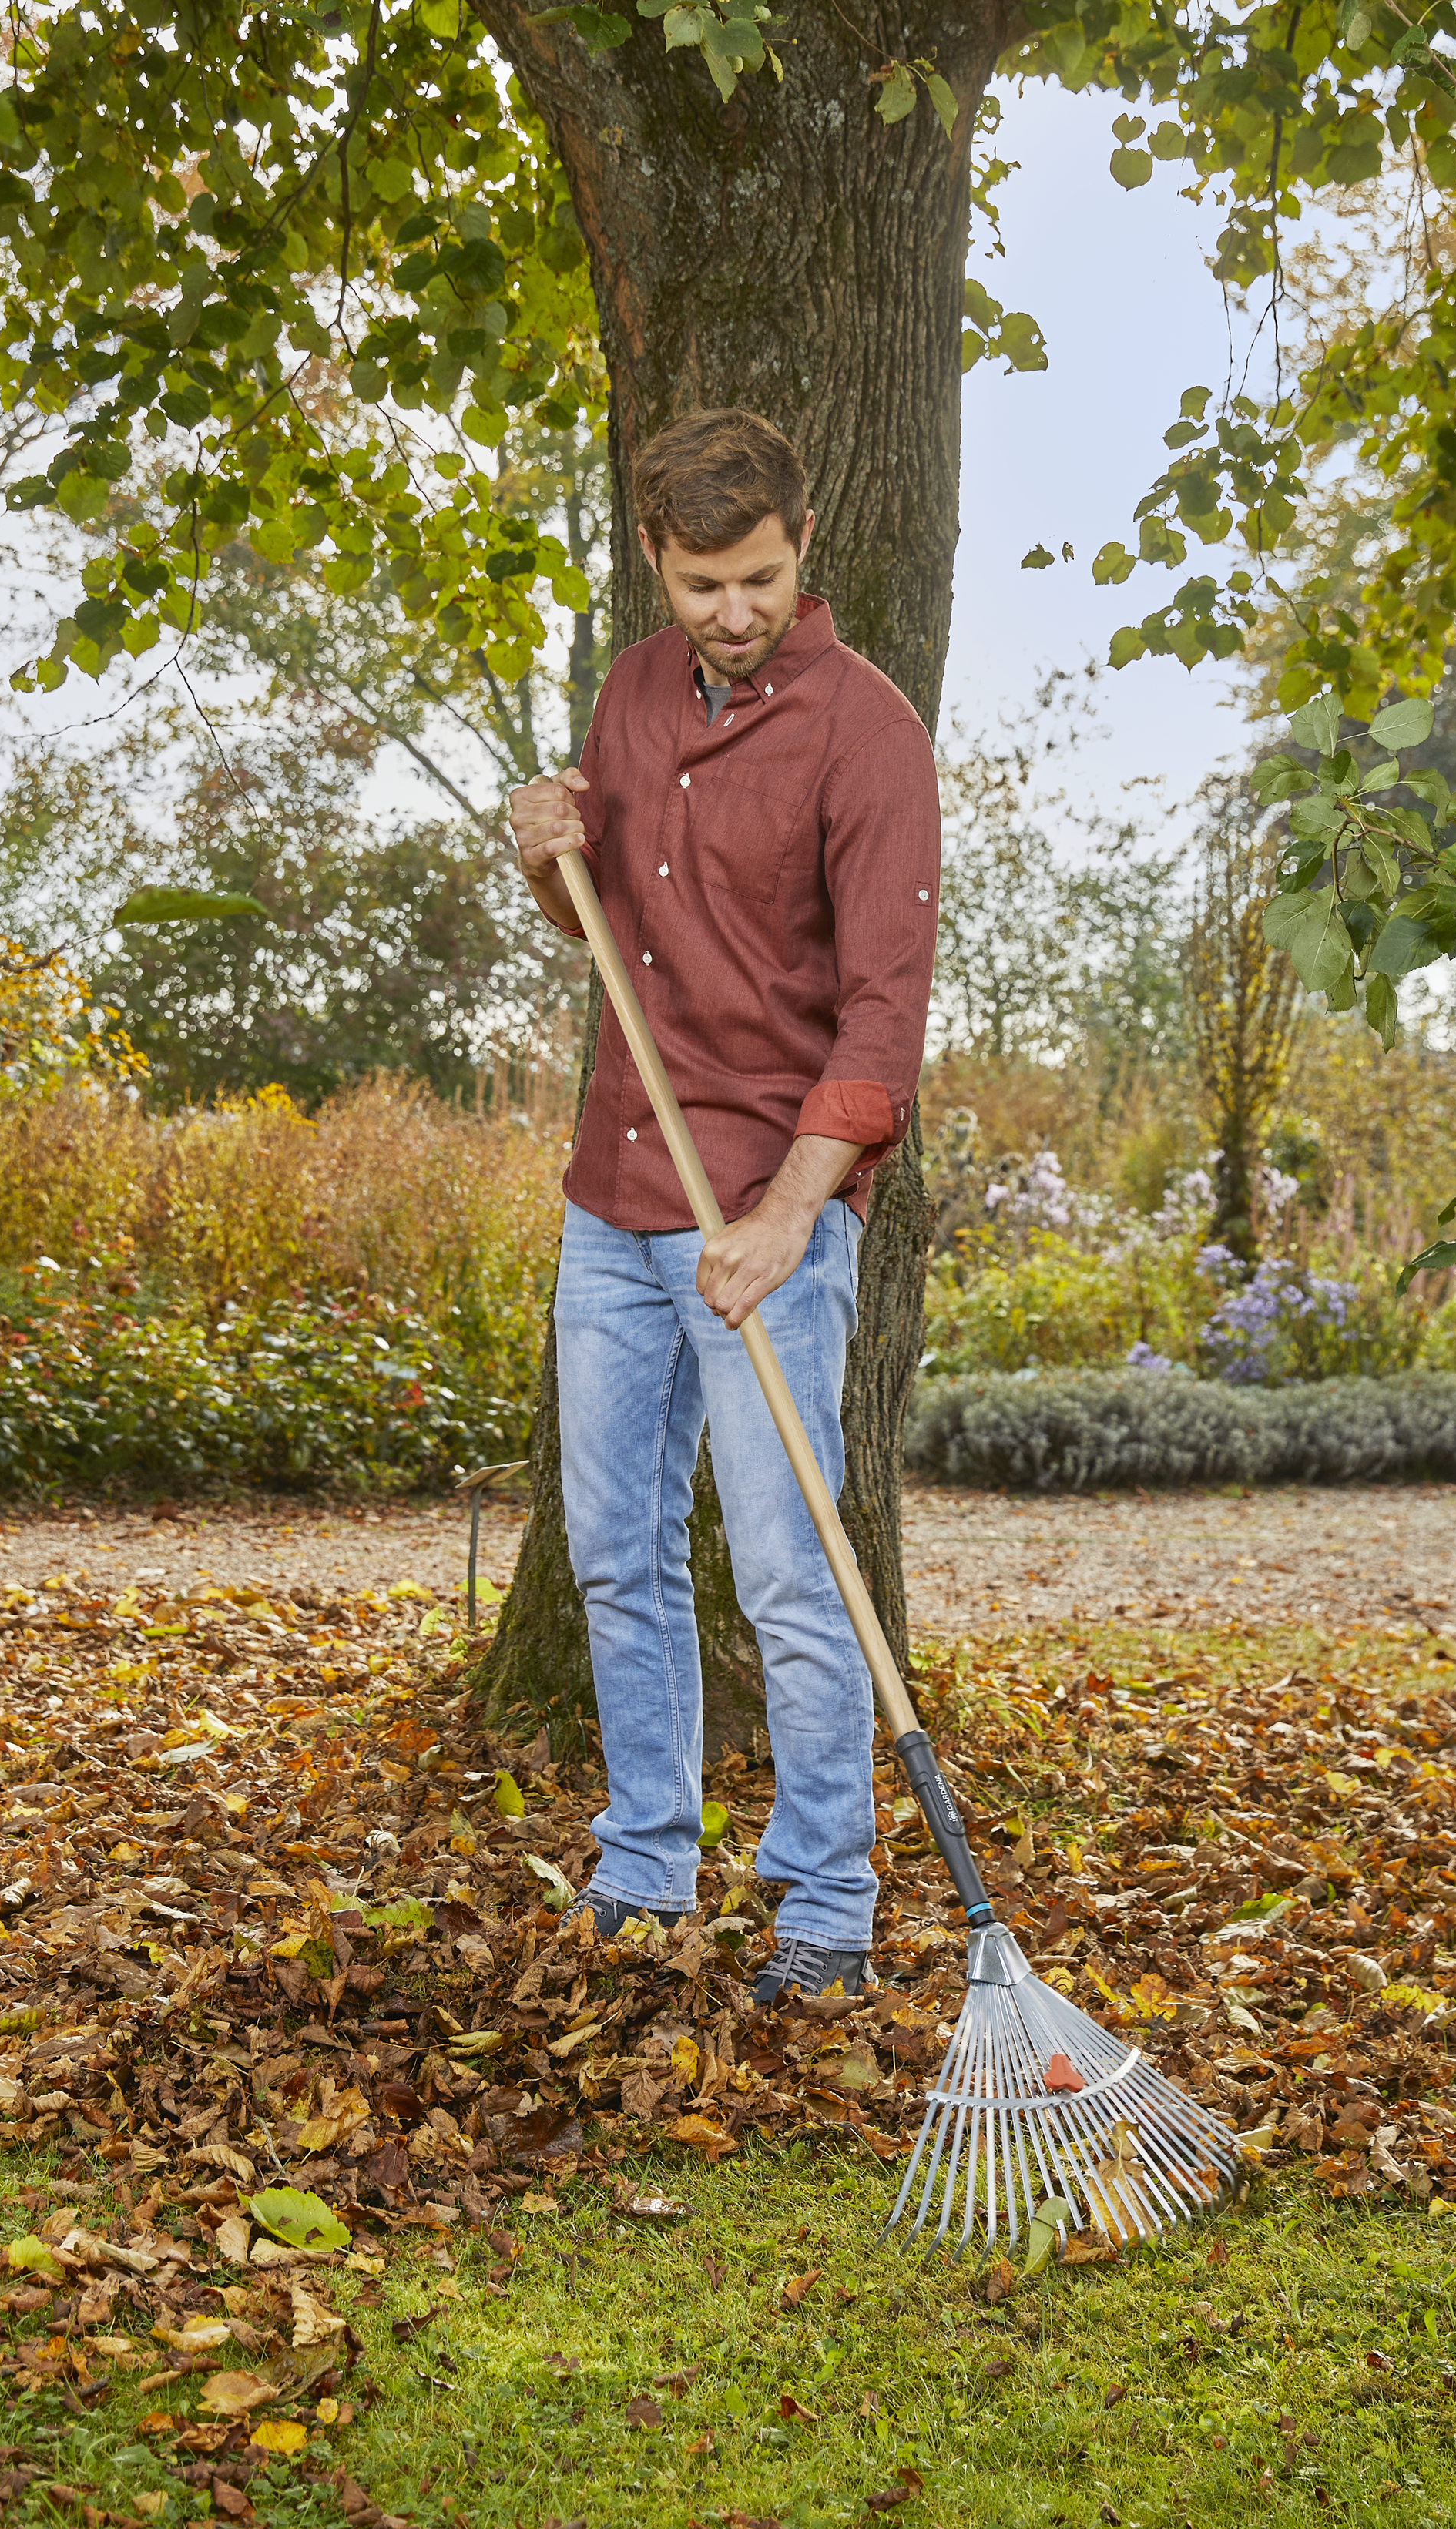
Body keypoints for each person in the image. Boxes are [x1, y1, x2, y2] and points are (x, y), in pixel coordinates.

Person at [505, 408, 940, 2003]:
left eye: (756, 579)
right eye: (700, 585)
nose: (733, 614)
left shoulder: (867, 735)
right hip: (615, 1197)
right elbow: (600, 928)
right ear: (654, 563)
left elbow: (881, 1026)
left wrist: (781, 1219)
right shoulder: (627, 694)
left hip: (767, 1207)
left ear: (802, 544)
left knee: (787, 1570)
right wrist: (540, 849)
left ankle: (824, 1904)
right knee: (616, 1553)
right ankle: (643, 1866)